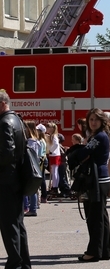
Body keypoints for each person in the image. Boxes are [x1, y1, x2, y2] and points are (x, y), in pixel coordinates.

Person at [74, 108, 110, 262]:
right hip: (100, 179)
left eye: (96, 119)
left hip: (97, 180)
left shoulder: (99, 137)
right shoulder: (97, 136)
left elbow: (82, 154)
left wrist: (79, 152)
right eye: (91, 119)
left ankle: (93, 252)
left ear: (102, 121)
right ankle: (104, 250)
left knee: (94, 217)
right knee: (101, 216)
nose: (93, 122)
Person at [0, 90, 32, 269]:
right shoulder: (17, 119)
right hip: (17, 179)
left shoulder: (5, 122)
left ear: (2, 103)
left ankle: (15, 263)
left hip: (6, 180)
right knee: (18, 223)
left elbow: (7, 153)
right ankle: (24, 263)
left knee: (8, 225)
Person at [45, 122, 62, 196]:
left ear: (52, 128)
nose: (47, 128)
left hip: (54, 155)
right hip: (55, 155)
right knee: (54, 171)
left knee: (54, 172)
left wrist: (51, 151)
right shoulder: (52, 136)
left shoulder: (53, 136)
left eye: (48, 127)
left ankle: (54, 187)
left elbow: (56, 144)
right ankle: (54, 186)